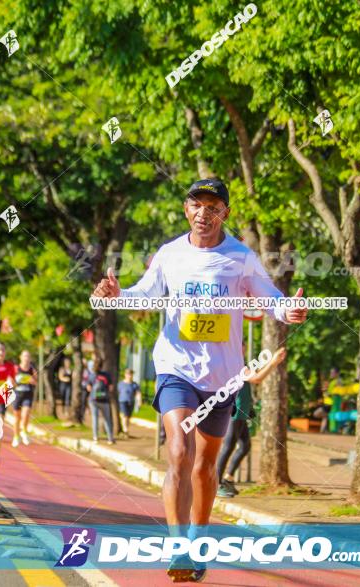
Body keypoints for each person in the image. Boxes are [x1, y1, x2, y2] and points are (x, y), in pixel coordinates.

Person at [91, 177, 307, 582]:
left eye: (213, 206)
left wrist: (288, 312)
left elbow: (270, 299)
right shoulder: (170, 254)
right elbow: (145, 293)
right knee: (178, 451)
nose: (203, 213)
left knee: (206, 467)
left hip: (223, 376)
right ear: (186, 209)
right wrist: (116, 295)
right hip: (176, 368)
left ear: (225, 213)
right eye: (196, 205)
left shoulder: (240, 258)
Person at [216, 347, 286, 498]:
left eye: (243, 345)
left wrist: (250, 408)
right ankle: (216, 484)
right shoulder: (233, 364)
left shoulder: (241, 363)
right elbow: (257, 379)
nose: (243, 348)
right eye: (240, 345)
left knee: (245, 446)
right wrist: (273, 362)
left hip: (242, 412)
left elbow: (246, 385)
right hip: (233, 413)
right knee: (227, 447)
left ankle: (228, 478)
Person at [12, 350, 37, 447]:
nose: (26, 358)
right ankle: (16, 436)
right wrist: (15, 381)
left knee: (26, 414)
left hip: (28, 394)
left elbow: (36, 381)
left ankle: (24, 431)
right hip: (17, 394)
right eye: (25, 356)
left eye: (28, 356)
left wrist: (31, 380)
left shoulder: (32, 370)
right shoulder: (16, 368)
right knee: (17, 417)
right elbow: (11, 381)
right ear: (20, 357)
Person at [87, 359, 115, 444]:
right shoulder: (106, 375)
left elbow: (88, 388)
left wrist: (94, 393)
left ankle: (95, 437)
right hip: (104, 400)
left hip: (93, 400)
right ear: (102, 366)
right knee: (107, 419)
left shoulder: (92, 375)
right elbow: (111, 388)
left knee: (95, 418)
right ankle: (110, 438)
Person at [117, 368, 141, 438]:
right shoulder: (120, 384)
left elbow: (138, 393)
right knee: (125, 416)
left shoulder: (134, 384)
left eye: (131, 374)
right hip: (122, 401)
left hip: (131, 402)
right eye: (128, 374)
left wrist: (139, 401)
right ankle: (125, 430)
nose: (129, 376)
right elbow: (117, 392)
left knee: (128, 417)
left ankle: (126, 429)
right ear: (125, 375)